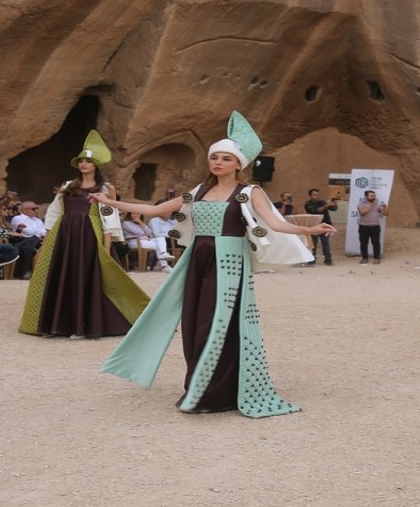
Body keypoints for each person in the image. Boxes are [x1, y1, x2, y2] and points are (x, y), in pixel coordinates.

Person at [98, 111, 336, 418]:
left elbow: (276, 224)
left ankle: (213, 393)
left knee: (217, 323)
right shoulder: (198, 191)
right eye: (215, 158)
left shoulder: (250, 193)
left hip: (229, 264)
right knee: (194, 323)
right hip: (197, 261)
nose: (218, 163)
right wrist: (110, 203)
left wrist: (308, 230)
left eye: (226, 158)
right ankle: (197, 385)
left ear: (239, 163)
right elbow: (152, 211)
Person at [17, 130, 149, 338]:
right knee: (61, 276)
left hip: (90, 238)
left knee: (86, 278)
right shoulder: (69, 186)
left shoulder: (105, 188)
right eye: (81, 161)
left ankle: (82, 326)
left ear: (96, 164)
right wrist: (48, 237)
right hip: (65, 237)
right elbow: (55, 211)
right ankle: (57, 324)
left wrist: (106, 246)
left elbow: (109, 217)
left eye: (87, 161)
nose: (83, 164)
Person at [9, 200, 46, 279]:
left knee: (39, 243)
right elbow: (28, 233)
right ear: (25, 210)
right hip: (21, 241)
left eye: (37, 208)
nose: (36, 210)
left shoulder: (38, 220)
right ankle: (26, 271)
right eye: (33, 209)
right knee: (33, 241)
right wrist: (38, 232)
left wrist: (37, 232)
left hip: (36, 241)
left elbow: (44, 232)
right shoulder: (17, 218)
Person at [304, 188, 338, 265]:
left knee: (325, 242)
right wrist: (327, 205)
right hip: (314, 226)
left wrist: (334, 203)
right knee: (313, 244)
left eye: (318, 195)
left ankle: (328, 260)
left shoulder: (322, 202)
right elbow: (316, 211)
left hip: (325, 226)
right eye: (315, 195)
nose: (318, 196)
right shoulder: (308, 204)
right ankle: (311, 259)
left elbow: (334, 209)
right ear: (310, 196)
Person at [356, 190, 388, 264]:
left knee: (376, 243)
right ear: (366, 196)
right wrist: (371, 206)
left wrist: (385, 207)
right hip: (364, 226)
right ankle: (364, 258)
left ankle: (376, 258)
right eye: (371, 196)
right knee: (363, 243)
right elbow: (362, 213)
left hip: (375, 227)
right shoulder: (361, 204)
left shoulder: (378, 204)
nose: (373, 197)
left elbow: (386, 214)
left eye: (374, 196)